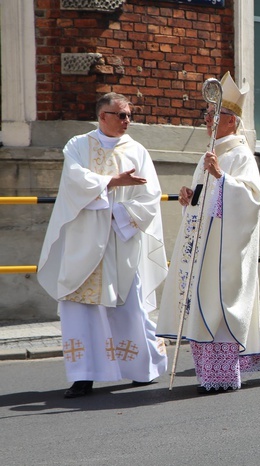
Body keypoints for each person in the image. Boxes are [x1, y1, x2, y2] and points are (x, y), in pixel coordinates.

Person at [37, 92, 169, 398]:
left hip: (120, 240)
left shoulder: (137, 150)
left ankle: (141, 369)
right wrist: (111, 182)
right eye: (121, 115)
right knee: (79, 309)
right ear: (102, 116)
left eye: (129, 115)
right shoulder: (78, 145)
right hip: (82, 241)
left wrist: (119, 214)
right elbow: (73, 179)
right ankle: (83, 376)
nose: (127, 121)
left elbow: (151, 195)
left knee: (129, 307)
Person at [157, 73, 260, 394]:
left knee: (219, 300)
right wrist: (189, 199)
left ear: (232, 123)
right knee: (200, 303)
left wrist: (222, 177)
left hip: (225, 252)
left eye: (216, 115)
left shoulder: (240, 155)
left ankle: (225, 375)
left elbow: (252, 199)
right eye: (208, 114)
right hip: (203, 248)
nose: (209, 119)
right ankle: (208, 374)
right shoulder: (209, 154)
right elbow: (203, 202)